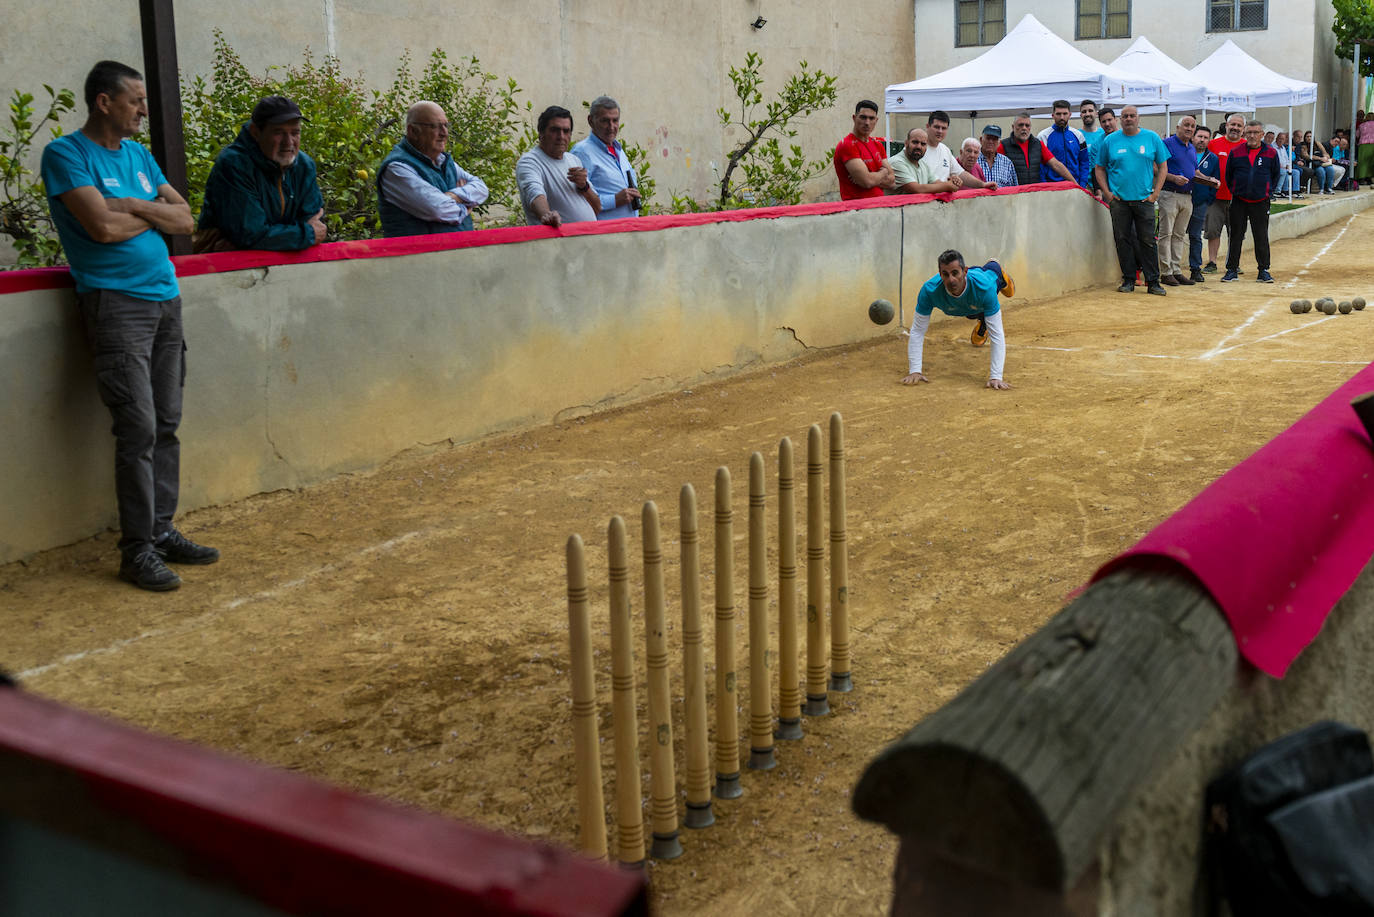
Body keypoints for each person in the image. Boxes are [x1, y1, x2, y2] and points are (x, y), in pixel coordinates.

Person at [40, 60, 217, 591]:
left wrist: (131, 204)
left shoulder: (138, 156)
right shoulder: (67, 154)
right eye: (136, 100)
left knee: (166, 421)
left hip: (166, 301)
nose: (143, 109)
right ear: (104, 102)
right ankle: (136, 550)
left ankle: (161, 531)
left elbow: (186, 220)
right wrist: (148, 214)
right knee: (137, 427)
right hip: (116, 306)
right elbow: (100, 228)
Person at [194, 96, 325, 252]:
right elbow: (249, 236)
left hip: (286, 264)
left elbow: (315, 220)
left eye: (295, 133)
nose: (288, 142)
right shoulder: (234, 164)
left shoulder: (304, 165)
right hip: (225, 266)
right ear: (256, 132)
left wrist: (280, 236)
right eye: (279, 133)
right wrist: (306, 234)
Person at [900, 249, 1015, 390]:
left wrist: (996, 376)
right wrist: (915, 371)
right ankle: (982, 321)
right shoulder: (929, 291)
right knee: (971, 312)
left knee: (997, 283)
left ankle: (999, 273)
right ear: (940, 274)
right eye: (945, 274)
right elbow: (917, 331)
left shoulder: (985, 288)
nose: (951, 280)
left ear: (964, 271)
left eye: (955, 273)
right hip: (968, 306)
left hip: (987, 278)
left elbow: (997, 334)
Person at [377, 100, 489, 237]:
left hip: (458, 253)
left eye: (446, 125)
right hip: (419, 256)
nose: (444, 133)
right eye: (435, 126)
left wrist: (453, 196)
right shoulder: (396, 169)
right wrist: (467, 206)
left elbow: (481, 188)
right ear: (412, 131)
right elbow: (439, 209)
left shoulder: (444, 161)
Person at [1093, 105, 1169, 296]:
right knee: (1123, 240)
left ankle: (1153, 282)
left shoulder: (1152, 138)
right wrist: (1108, 194)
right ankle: (1128, 280)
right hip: (1119, 202)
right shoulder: (1110, 141)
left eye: (1132, 116)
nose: (1128, 119)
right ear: (1120, 119)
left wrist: (1156, 193)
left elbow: (1163, 167)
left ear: (1138, 118)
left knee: (1148, 241)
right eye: (1125, 116)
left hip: (1145, 200)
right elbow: (1099, 168)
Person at [517, 105, 600, 227]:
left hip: (587, 239)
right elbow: (534, 194)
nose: (561, 136)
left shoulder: (574, 160)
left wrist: (584, 186)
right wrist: (546, 215)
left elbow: (597, 207)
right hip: (558, 242)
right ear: (541, 133)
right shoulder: (529, 161)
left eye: (566, 131)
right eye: (554, 130)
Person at [1221, 120, 1280, 284]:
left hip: (1261, 201)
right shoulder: (1236, 152)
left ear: (1262, 134)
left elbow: (1275, 175)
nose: (1252, 136)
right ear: (1245, 134)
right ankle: (1231, 270)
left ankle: (1263, 270)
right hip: (1239, 200)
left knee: (1261, 235)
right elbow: (1229, 175)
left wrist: (1267, 191)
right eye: (1249, 133)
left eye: (1256, 132)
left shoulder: (1271, 153)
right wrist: (1236, 190)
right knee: (1236, 235)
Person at [571, 95, 641, 220]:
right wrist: (614, 200)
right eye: (605, 121)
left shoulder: (618, 149)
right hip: (605, 234)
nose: (611, 126)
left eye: (615, 120)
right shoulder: (582, 152)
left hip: (629, 230)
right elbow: (576, 201)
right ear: (590, 121)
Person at [1157, 115, 1198, 286]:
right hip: (1169, 193)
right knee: (1166, 234)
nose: (1189, 128)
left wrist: (1209, 179)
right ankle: (1165, 272)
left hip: (1187, 196)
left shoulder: (1192, 148)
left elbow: (1194, 171)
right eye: (1186, 125)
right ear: (1178, 127)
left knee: (1180, 235)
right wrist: (1173, 178)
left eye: (1192, 126)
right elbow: (1156, 167)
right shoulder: (1167, 143)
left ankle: (1176, 270)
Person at [1203, 113, 1245, 273]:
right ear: (1226, 126)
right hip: (1216, 197)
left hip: (1239, 199)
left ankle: (1233, 263)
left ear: (1243, 129)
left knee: (1236, 232)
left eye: (1238, 125)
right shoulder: (1213, 144)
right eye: (1232, 124)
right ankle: (1212, 262)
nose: (1235, 128)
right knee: (1213, 231)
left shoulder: (1247, 146)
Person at [833, 100, 894, 200]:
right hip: (858, 209)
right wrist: (883, 173)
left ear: (876, 120)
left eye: (871, 118)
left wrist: (870, 177)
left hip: (880, 207)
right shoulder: (848, 145)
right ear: (854, 118)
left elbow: (892, 182)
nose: (867, 122)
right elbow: (867, 182)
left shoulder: (877, 145)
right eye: (863, 117)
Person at [998, 112, 1078, 186]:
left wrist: (1075, 184)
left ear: (1030, 127)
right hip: (1014, 196)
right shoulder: (1003, 145)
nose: (1024, 128)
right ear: (1013, 127)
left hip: (1034, 194)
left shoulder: (1038, 145)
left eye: (1027, 125)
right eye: (1020, 125)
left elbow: (1056, 165)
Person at [922, 110, 997, 189]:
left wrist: (983, 184)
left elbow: (961, 174)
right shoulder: (918, 149)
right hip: (923, 199)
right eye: (936, 127)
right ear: (927, 126)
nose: (940, 131)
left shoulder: (945, 150)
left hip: (941, 200)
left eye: (943, 128)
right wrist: (948, 186)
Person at [1187, 125, 1222, 283]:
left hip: (1200, 202)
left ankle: (1195, 268)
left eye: (1205, 137)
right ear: (1193, 137)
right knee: (1175, 235)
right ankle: (1170, 269)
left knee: (1195, 235)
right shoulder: (1186, 152)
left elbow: (1216, 180)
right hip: (1182, 197)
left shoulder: (1213, 158)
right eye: (1199, 136)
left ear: (1209, 140)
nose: (1202, 140)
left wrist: (1208, 199)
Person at [1035, 100, 1092, 187]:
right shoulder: (1043, 136)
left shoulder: (1079, 135)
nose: (1062, 117)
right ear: (1053, 115)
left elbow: (1084, 162)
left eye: (1065, 114)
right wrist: (1045, 186)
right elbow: (1040, 166)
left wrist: (1082, 184)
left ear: (1070, 114)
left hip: (1075, 187)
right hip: (1053, 188)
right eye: (1058, 114)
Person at [886, 128, 959, 194]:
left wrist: (954, 182)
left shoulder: (923, 165)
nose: (919, 147)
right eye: (915, 142)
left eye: (923, 144)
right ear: (906, 143)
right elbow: (917, 189)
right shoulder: (897, 162)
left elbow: (938, 184)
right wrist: (948, 186)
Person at [1357, 110, 1374, 186]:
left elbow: (1357, 135)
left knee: (1363, 162)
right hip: (1373, 144)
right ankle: (1369, 178)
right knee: (1371, 162)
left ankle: (1362, 179)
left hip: (1363, 145)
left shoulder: (1362, 125)